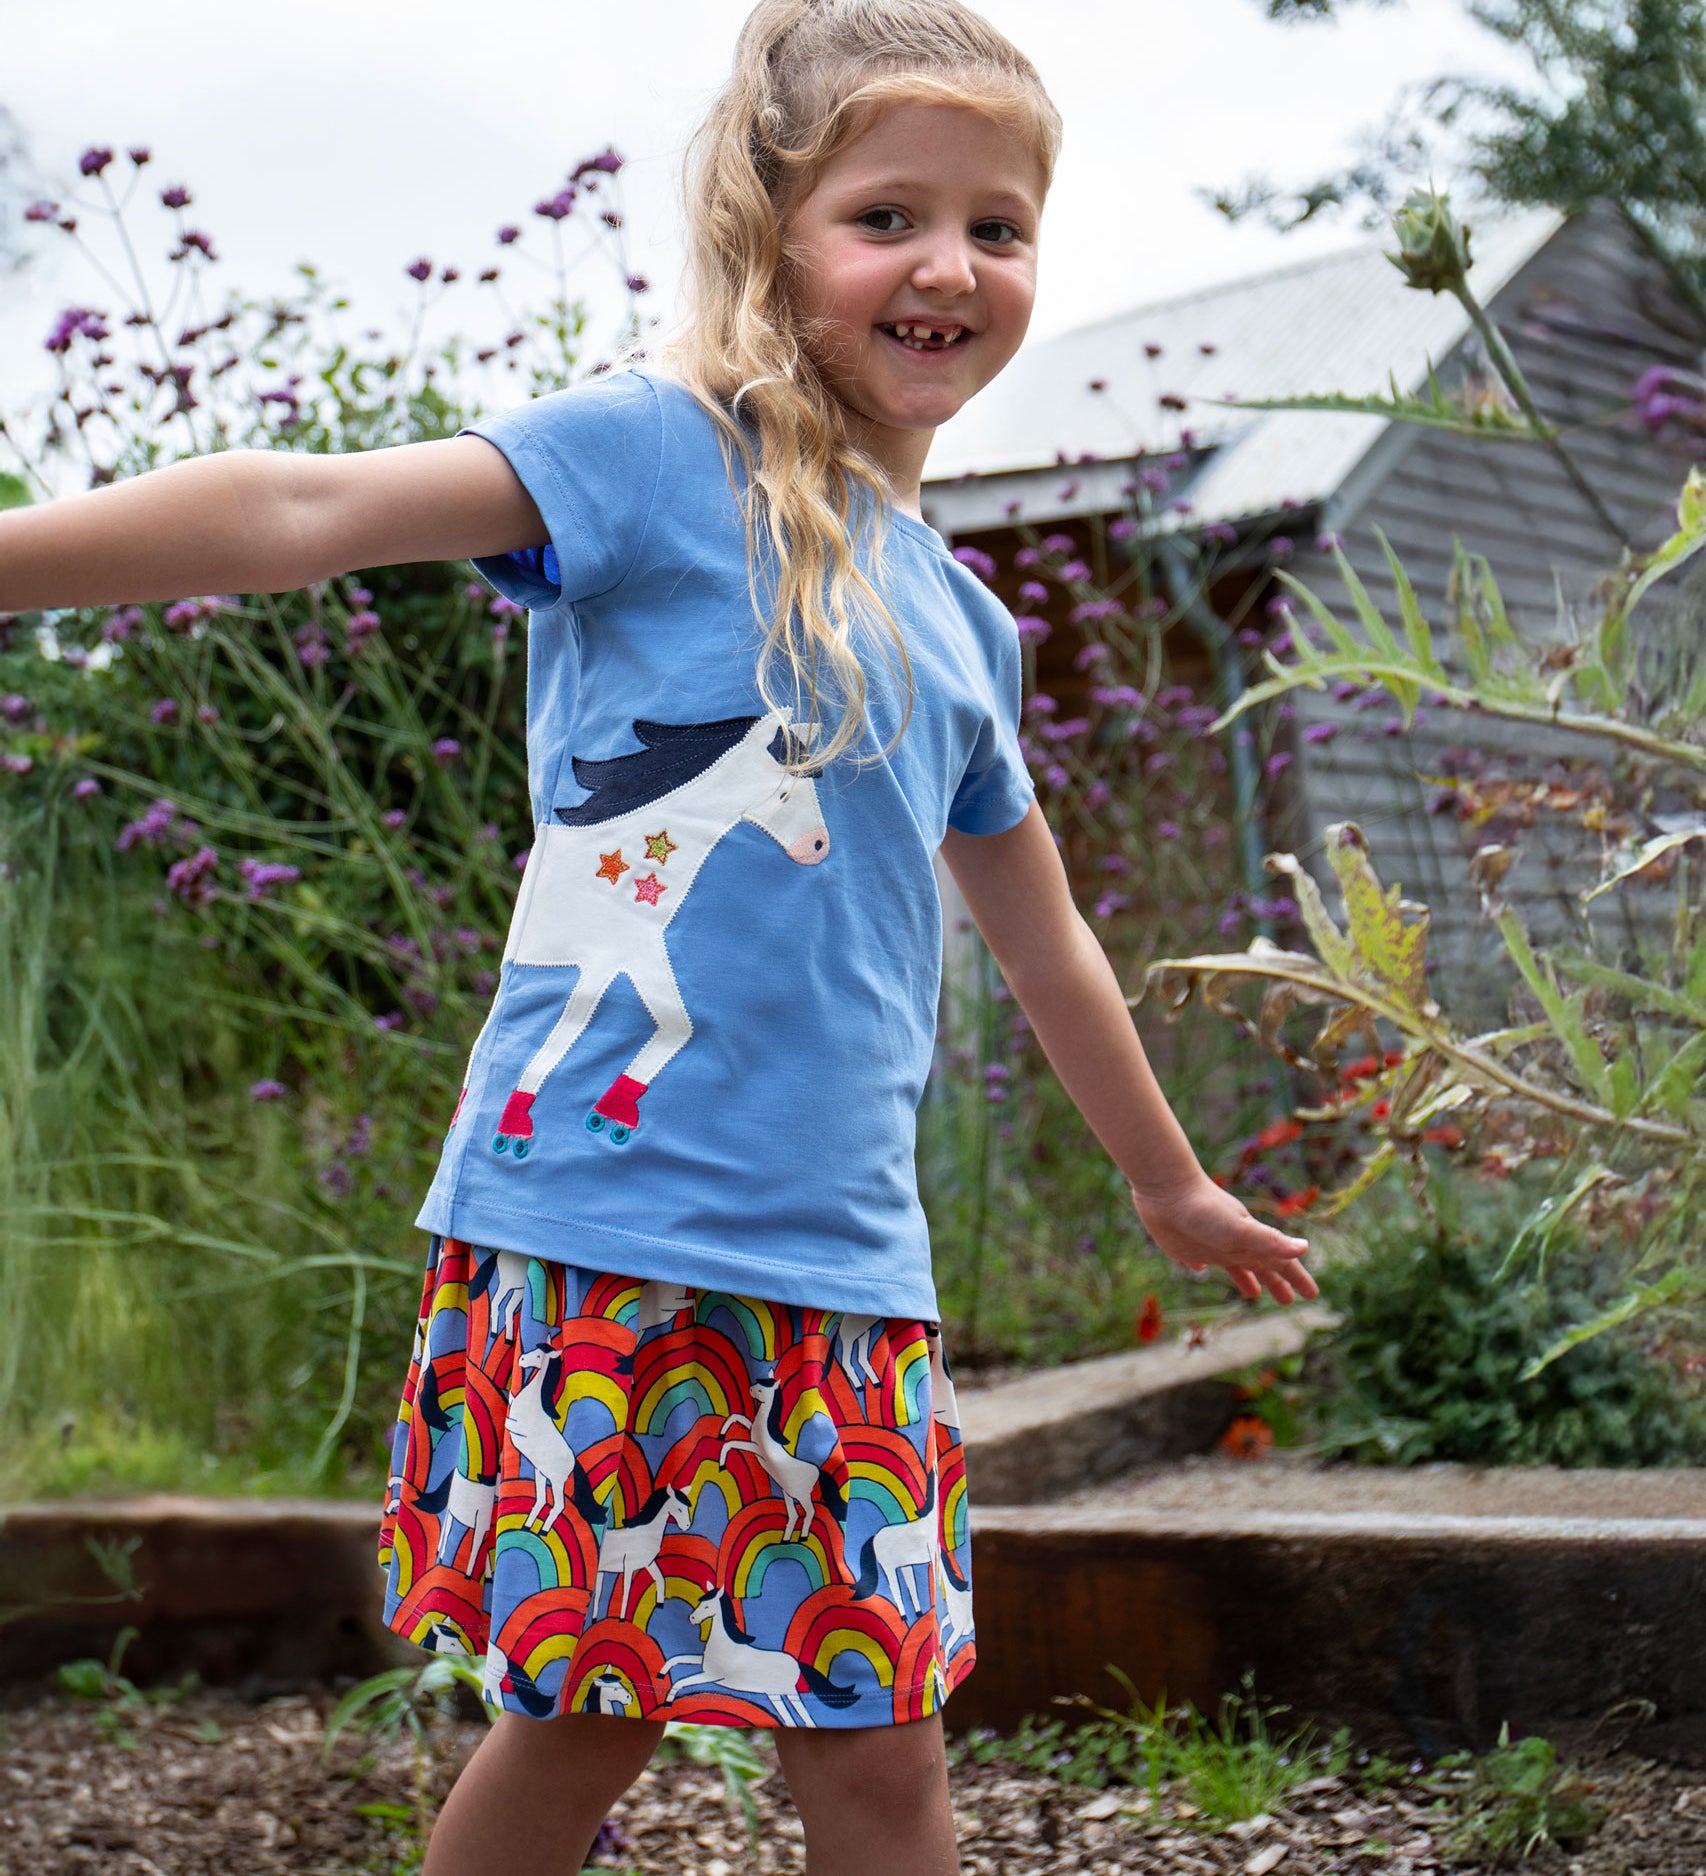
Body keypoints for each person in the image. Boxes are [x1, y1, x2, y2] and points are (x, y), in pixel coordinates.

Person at [0, 1, 1318, 1868]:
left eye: (999, 227)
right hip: (604, 1240)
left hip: (848, 1271)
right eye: (888, 217)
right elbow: (302, 508)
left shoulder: (960, 618)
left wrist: (1170, 1189)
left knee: (877, 1746)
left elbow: (1044, 943)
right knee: (585, 1732)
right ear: (769, 232)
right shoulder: (647, 456)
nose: (949, 264)